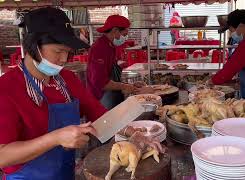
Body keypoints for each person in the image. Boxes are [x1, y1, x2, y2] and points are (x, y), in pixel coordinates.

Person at [0, 7, 107, 180]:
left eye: (68, 52)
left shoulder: (67, 79)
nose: (64, 59)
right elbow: (2, 156)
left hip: (65, 173)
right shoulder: (6, 89)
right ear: (33, 46)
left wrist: (132, 131)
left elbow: (97, 111)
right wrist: (55, 138)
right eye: (58, 51)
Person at [87, 15, 141, 109]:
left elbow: (111, 75)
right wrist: (124, 86)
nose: (125, 38)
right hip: (100, 96)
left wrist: (128, 85)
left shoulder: (110, 46)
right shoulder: (100, 48)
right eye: (124, 35)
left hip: (110, 94)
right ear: (115, 30)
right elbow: (100, 82)